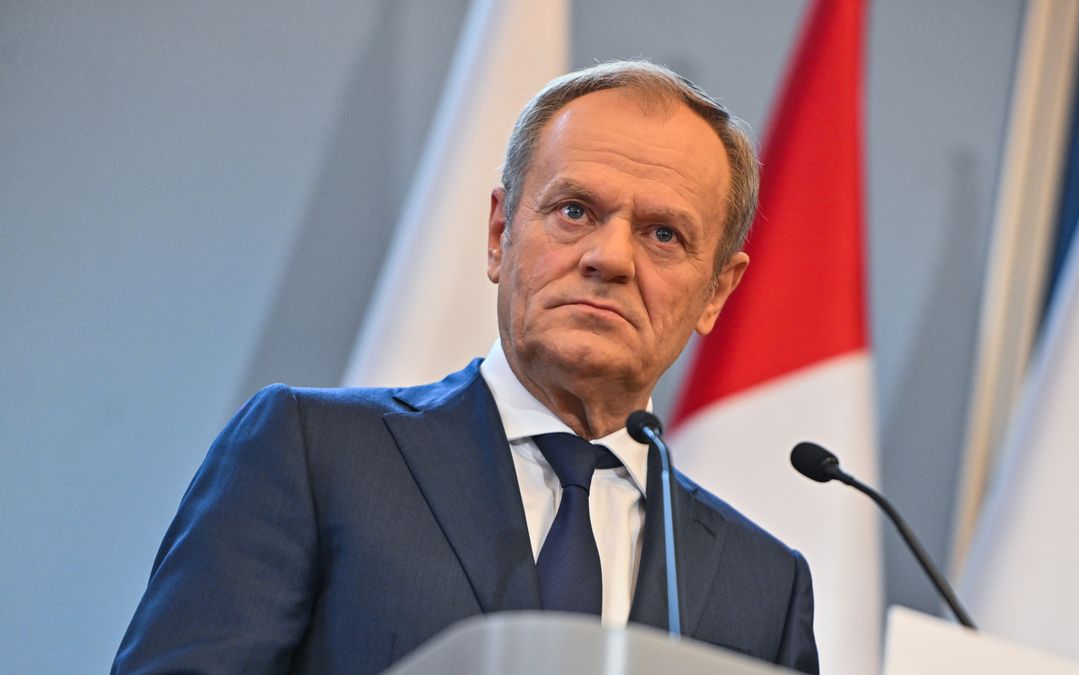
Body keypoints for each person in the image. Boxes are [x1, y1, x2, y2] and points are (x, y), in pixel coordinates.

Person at [113, 60, 819, 674]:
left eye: (663, 234)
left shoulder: (766, 586)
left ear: (717, 290)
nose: (610, 257)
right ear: (499, 234)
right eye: (574, 211)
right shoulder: (315, 454)